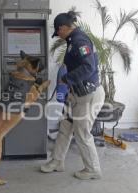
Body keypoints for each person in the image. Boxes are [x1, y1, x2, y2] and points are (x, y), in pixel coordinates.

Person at [40, 11, 105, 180]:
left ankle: (93, 169)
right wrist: (69, 86)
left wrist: (67, 78)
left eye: (58, 32)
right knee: (65, 127)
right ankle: (57, 161)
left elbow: (88, 67)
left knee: (82, 132)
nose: (58, 36)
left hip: (88, 95)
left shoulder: (80, 40)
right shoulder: (72, 40)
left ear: (63, 28)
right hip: (75, 94)